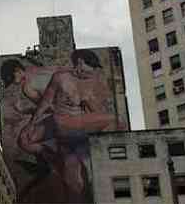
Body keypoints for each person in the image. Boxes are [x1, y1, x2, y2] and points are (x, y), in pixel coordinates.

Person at [17, 50, 125, 202]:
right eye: (91, 66)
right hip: (58, 123)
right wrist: (32, 123)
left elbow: (95, 113)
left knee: (74, 177)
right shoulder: (61, 77)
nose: (93, 71)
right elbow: (46, 101)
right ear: (80, 62)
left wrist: (90, 103)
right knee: (24, 139)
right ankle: (52, 154)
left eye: (95, 68)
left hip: (76, 128)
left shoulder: (92, 83)